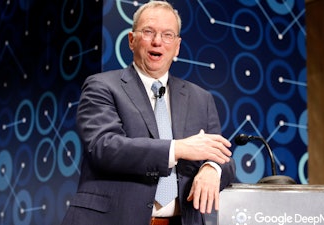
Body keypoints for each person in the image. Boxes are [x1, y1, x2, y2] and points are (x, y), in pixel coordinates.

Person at [61, 1, 236, 225]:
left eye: (167, 35)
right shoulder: (101, 86)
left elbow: (223, 157)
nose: (157, 41)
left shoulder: (201, 98)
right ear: (132, 41)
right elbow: (104, 146)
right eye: (148, 32)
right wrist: (178, 148)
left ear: (177, 47)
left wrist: (211, 169)